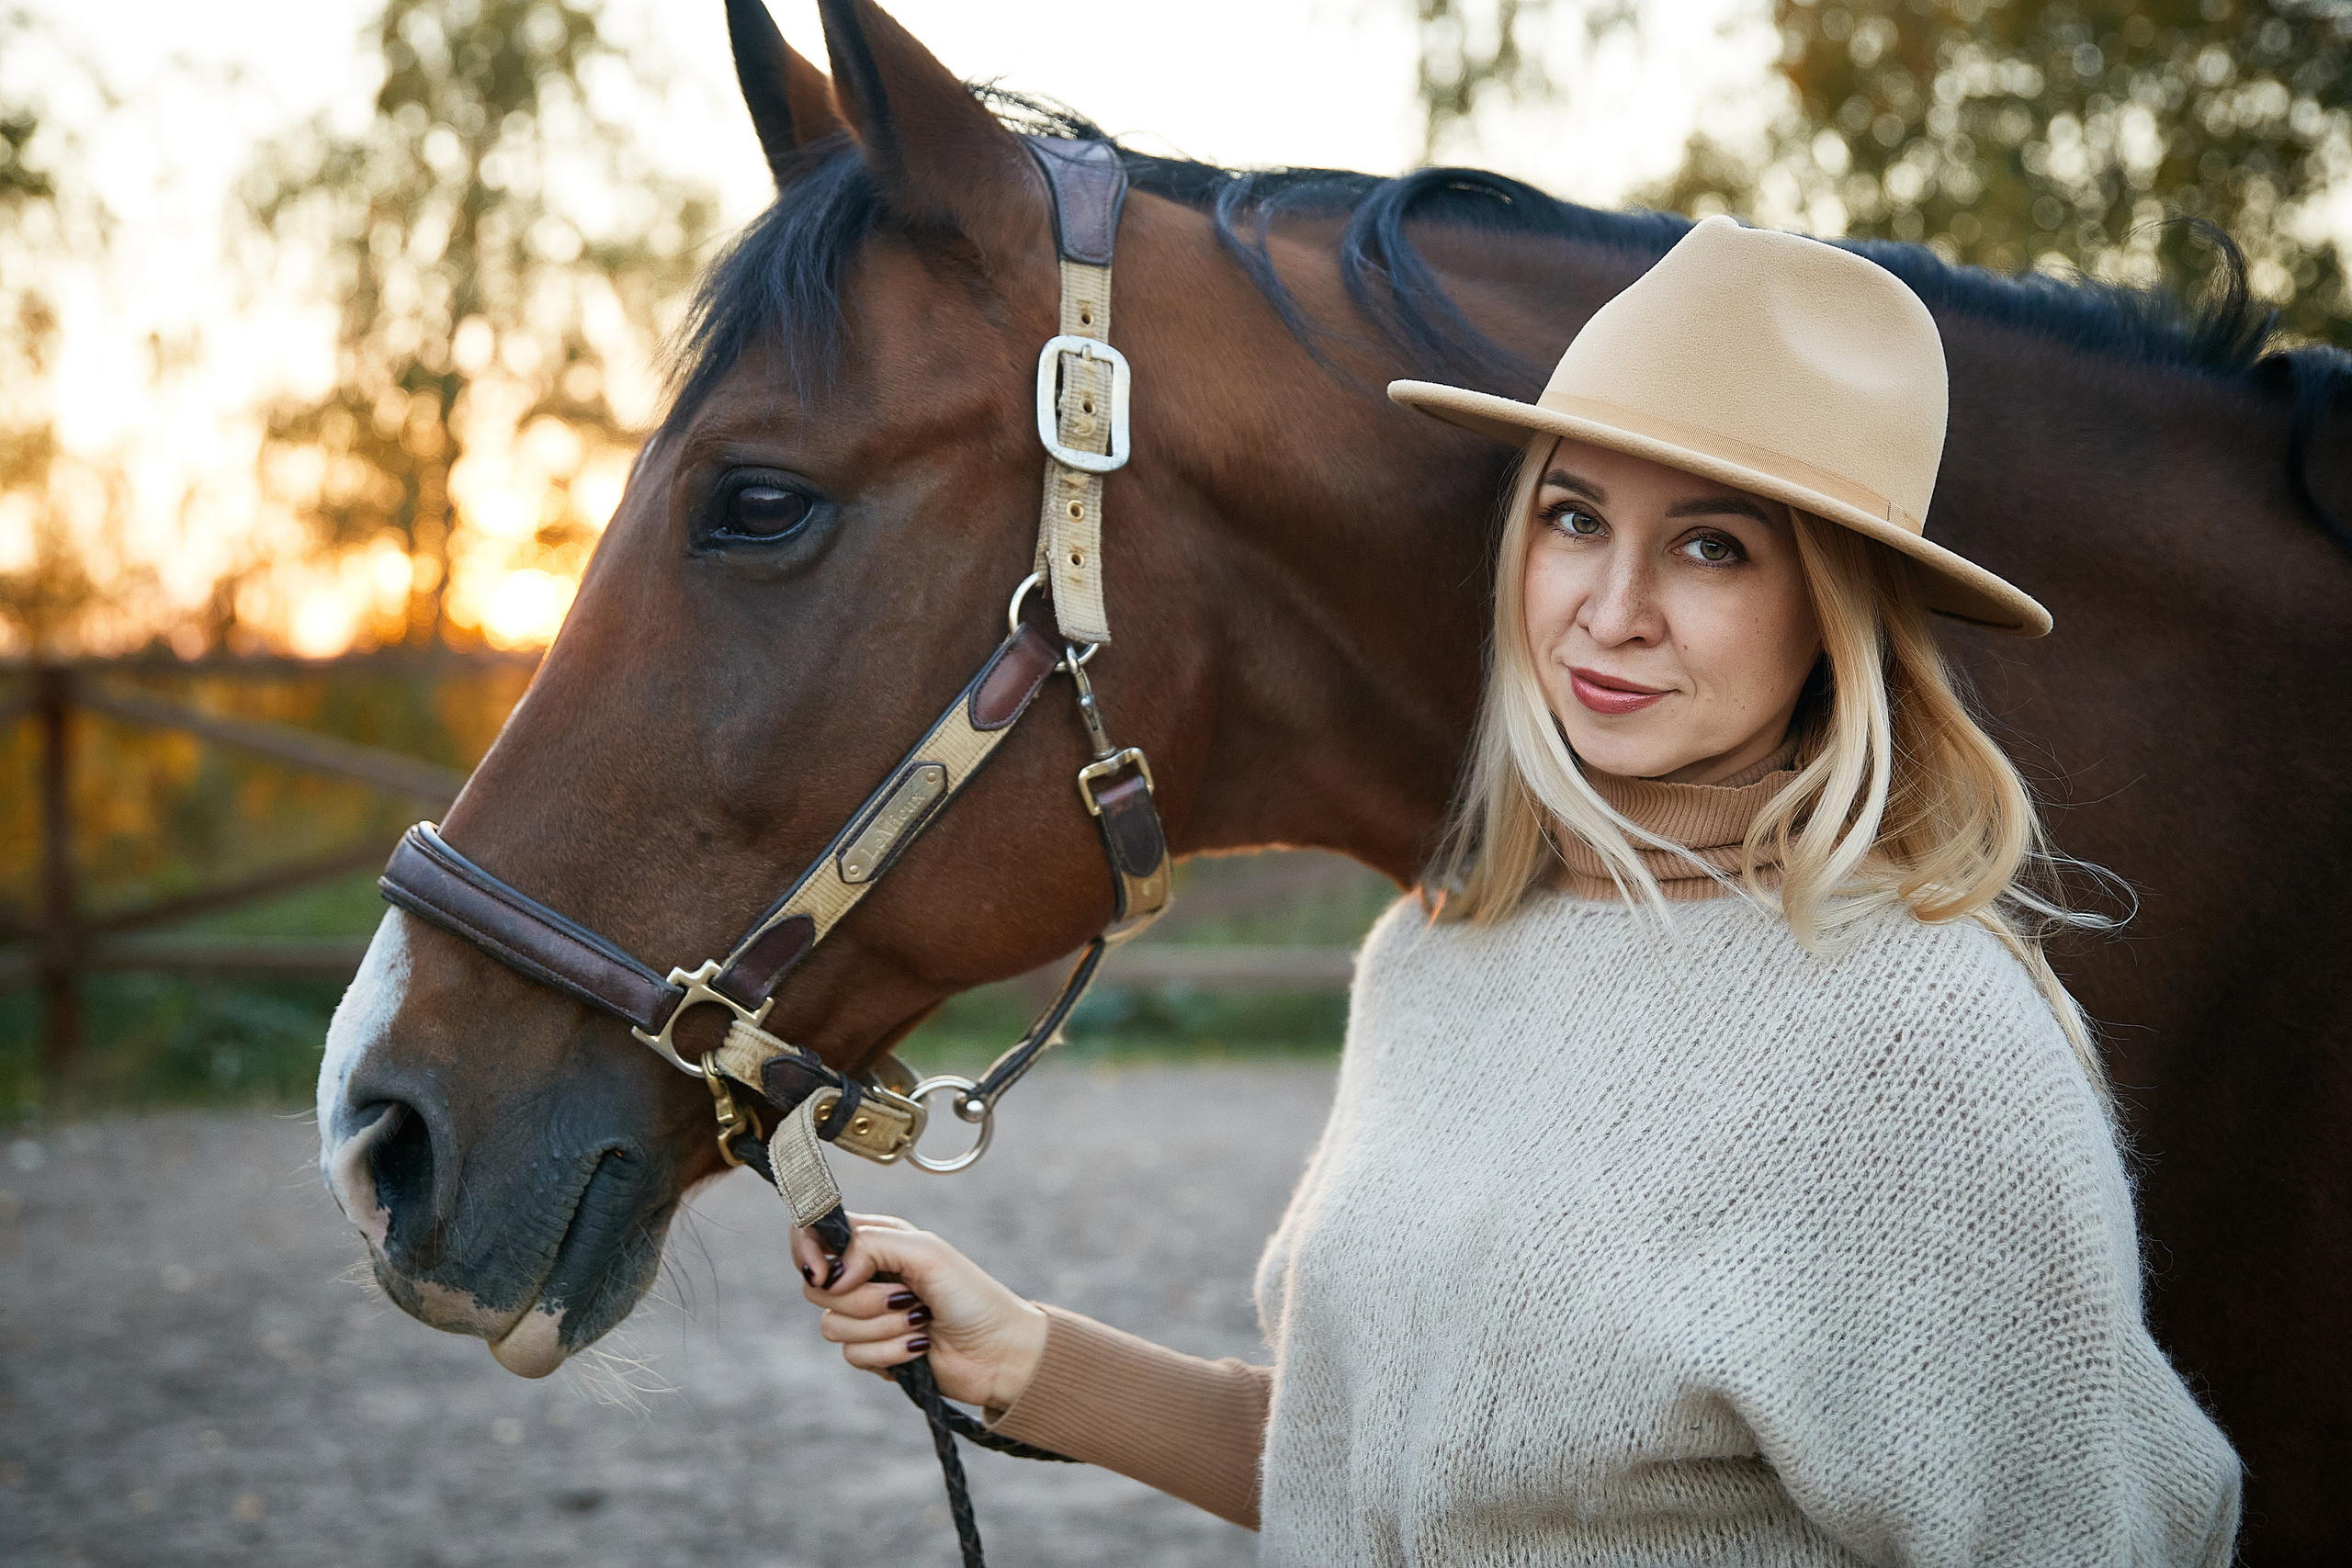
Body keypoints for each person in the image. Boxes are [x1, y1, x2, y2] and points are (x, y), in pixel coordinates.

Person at [791, 215, 2243, 1564]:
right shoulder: (1439, 957)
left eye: (1714, 546)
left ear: (1836, 609)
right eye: (1574, 518)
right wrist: (1026, 1356)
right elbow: (1370, 1470)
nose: (1611, 610)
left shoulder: (1927, 1040)